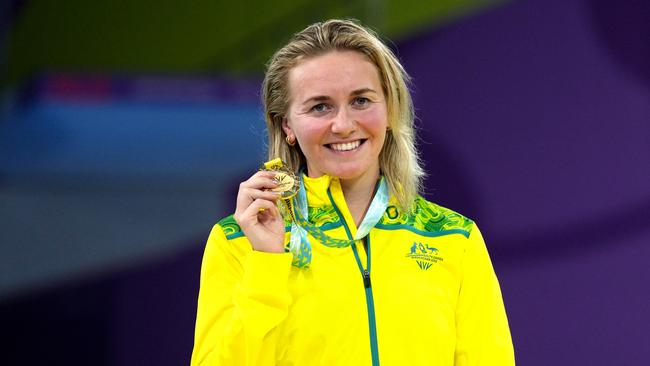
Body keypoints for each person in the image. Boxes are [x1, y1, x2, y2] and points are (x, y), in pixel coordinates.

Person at [191, 19, 514, 366]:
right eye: (320, 106)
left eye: (361, 100)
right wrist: (267, 264)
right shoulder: (237, 242)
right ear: (287, 125)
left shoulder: (453, 238)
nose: (343, 124)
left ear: (389, 110)